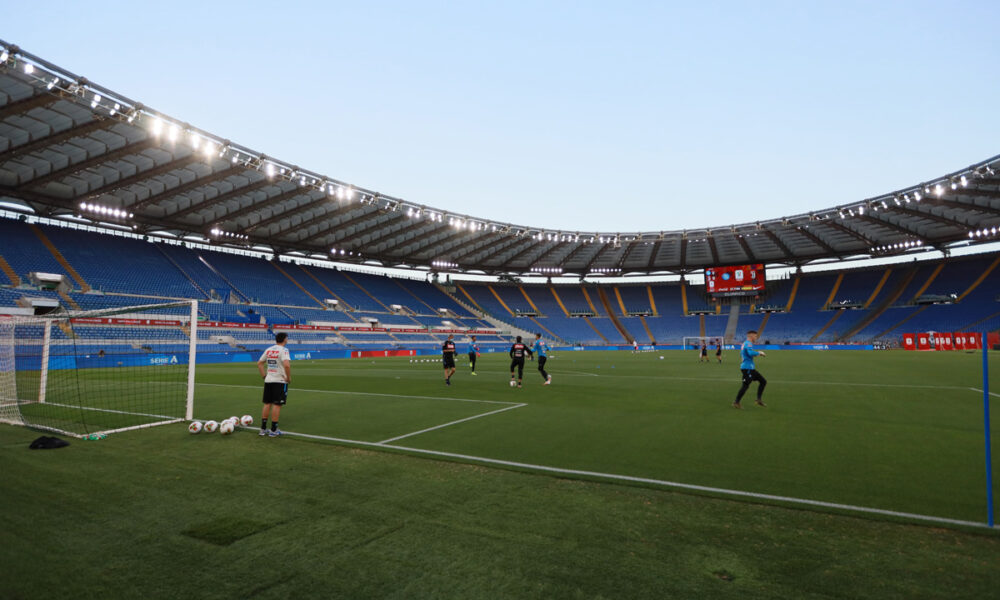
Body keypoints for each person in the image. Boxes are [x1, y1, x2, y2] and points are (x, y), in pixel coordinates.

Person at [257, 331, 291, 437]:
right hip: (279, 381)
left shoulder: (269, 349)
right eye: (287, 338)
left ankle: (263, 429)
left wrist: (264, 376)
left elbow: (259, 363)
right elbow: (287, 365)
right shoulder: (284, 350)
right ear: (284, 339)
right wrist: (288, 378)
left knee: (267, 403)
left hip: (269, 380)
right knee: (277, 404)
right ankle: (273, 430)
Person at [733, 330, 767, 409]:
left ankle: (758, 399)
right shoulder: (748, 343)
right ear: (751, 336)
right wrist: (759, 353)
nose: (756, 338)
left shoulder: (745, 343)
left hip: (750, 368)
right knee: (745, 386)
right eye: (755, 336)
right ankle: (736, 402)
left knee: (763, 381)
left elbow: (743, 353)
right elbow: (750, 353)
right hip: (747, 368)